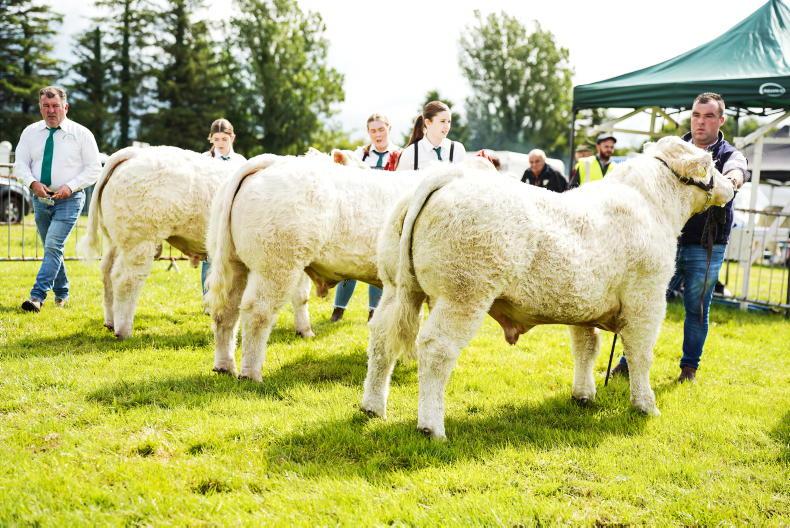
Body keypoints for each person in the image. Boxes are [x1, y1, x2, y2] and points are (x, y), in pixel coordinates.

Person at [611, 92, 748, 383]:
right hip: (663, 241)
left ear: (721, 120)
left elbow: (738, 170)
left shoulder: (728, 154)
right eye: (696, 115)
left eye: (709, 116)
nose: (701, 122)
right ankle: (628, 361)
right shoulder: (673, 150)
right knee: (642, 302)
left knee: (696, 308)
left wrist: (731, 181)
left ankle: (689, 369)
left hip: (706, 244)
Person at [15, 86, 101, 312]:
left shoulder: (82, 134)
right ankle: (62, 292)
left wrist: (70, 187)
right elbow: (20, 164)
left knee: (53, 245)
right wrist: (32, 183)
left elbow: (94, 169)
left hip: (70, 200)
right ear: (40, 107)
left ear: (66, 107)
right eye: (46, 106)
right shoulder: (30, 132)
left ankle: (37, 297)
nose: (51, 110)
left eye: (55, 106)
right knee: (52, 248)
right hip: (40, 199)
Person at [331, 113, 400, 323]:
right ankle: (338, 309)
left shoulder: (400, 155)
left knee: (379, 265)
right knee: (350, 262)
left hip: (387, 218)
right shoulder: (359, 155)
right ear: (368, 132)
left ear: (389, 128)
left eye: (381, 129)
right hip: (360, 217)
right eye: (373, 131)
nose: (377, 134)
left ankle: (373, 312)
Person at [201, 118, 246, 297]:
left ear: (232, 138)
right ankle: (208, 298)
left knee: (235, 256)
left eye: (224, 139)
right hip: (211, 213)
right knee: (211, 255)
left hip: (235, 215)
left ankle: (233, 296)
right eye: (216, 139)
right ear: (211, 138)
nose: (220, 143)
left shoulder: (241, 161)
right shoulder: (204, 160)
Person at [396, 100, 466, 171]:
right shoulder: (410, 153)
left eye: (449, 122)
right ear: (428, 122)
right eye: (442, 121)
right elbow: (400, 178)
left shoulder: (458, 149)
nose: (447, 126)